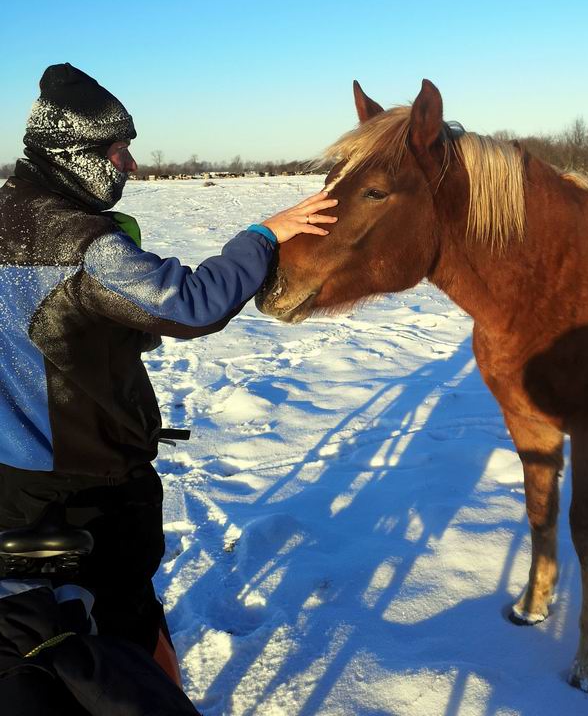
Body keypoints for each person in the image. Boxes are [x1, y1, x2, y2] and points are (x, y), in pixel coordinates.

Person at [0, 63, 337, 701]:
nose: (128, 164)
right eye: (115, 148)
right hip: (89, 487)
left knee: (43, 637)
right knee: (119, 643)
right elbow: (188, 303)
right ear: (73, 152)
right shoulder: (77, 239)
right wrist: (263, 236)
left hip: (12, 483)